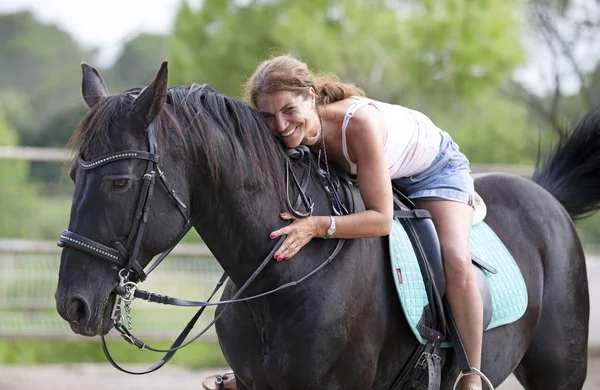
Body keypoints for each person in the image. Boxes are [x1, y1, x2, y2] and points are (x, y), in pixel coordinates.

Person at [211, 54, 483, 390]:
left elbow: (381, 221)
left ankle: (472, 373)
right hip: (378, 168)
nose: (280, 126)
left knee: (454, 256)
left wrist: (316, 225)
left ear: (310, 98)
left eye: (289, 111)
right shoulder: (282, 132)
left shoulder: (357, 124)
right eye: (268, 116)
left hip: (433, 170)